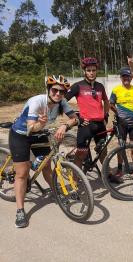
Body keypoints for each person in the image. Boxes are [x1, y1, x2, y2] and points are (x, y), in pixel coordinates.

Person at [9, 75, 78, 228]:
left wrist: (64, 126)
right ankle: (20, 210)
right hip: (21, 135)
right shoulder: (37, 101)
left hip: (39, 135)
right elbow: (30, 128)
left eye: (62, 91)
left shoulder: (62, 102)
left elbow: (75, 118)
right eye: (55, 90)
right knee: (22, 173)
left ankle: (56, 193)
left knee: (47, 167)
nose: (58, 94)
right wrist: (41, 124)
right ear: (48, 89)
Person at [65, 57, 119, 182]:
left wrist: (105, 116)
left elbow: (106, 101)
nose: (91, 73)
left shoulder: (100, 86)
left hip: (100, 124)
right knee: (81, 154)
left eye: (93, 70)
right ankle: (75, 182)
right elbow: (63, 101)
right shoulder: (78, 86)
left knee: (103, 152)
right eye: (88, 70)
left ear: (96, 71)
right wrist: (76, 117)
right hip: (86, 125)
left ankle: (108, 174)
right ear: (84, 71)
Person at [109, 66, 133, 177]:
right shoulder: (116, 90)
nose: (126, 78)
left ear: (131, 78)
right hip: (121, 123)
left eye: (128, 76)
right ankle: (120, 169)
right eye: (124, 76)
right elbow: (111, 104)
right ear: (121, 77)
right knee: (121, 145)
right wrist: (119, 114)